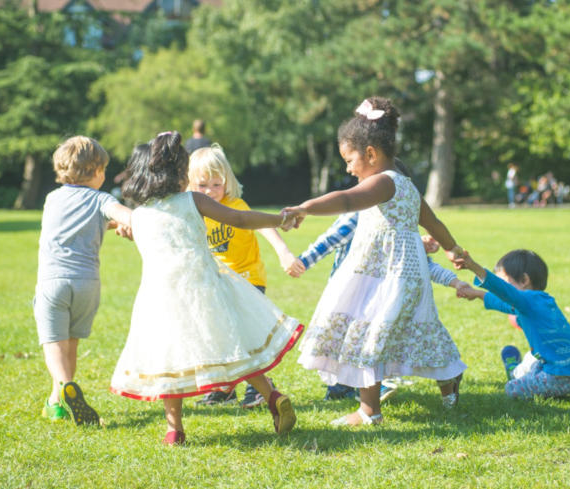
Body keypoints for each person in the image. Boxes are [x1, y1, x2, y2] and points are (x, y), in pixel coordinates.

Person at [282, 96, 467, 426]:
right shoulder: (407, 185)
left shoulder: (382, 183)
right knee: (416, 330)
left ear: (370, 153)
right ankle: (449, 386)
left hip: (385, 276)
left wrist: (306, 207)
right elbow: (434, 223)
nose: (348, 168)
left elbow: (347, 199)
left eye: (350, 159)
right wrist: (452, 248)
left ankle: (369, 411)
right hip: (407, 275)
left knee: (366, 333)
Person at [109, 132, 303, 445]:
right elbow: (239, 219)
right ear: (179, 173)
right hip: (205, 288)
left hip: (160, 298)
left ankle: (174, 430)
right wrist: (280, 219)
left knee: (168, 359)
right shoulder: (192, 200)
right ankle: (272, 397)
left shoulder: (140, 216)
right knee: (234, 345)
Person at [288, 216, 473, 402]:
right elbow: (331, 239)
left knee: (373, 340)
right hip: (350, 292)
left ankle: (374, 388)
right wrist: (303, 261)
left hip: (383, 296)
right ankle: (344, 387)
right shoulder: (358, 214)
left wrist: (453, 280)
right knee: (343, 340)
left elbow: (424, 264)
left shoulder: (397, 219)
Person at [186, 144, 298, 409]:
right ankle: (224, 389)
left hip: (248, 280)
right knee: (219, 334)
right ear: (190, 184)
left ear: (228, 182)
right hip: (216, 283)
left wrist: (283, 251)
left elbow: (262, 226)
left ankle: (260, 389)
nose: (210, 192)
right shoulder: (194, 212)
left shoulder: (235, 205)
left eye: (216, 184)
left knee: (246, 336)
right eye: (202, 185)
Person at [34, 136, 133, 424]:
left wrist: (114, 223)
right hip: (87, 284)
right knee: (72, 342)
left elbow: (72, 220)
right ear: (97, 171)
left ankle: (65, 387)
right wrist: (128, 224)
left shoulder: (52, 198)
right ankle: (57, 401)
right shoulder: (102, 199)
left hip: (54, 281)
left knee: (54, 342)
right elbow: (126, 217)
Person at [454, 249, 570, 399]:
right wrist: (477, 294)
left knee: (511, 389)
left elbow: (503, 291)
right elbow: (503, 303)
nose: (503, 291)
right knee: (532, 361)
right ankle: (519, 372)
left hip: (556, 377)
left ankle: (513, 372)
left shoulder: (526, 300)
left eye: (505, 283)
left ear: (524, 280)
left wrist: (473, 267)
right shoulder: (542, 300)